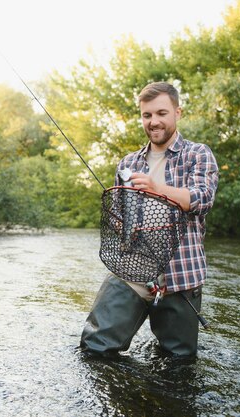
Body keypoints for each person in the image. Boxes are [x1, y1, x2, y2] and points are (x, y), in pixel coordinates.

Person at [80, 81, 219, 356]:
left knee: (178, 363)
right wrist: (118, 221)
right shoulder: (128, 164)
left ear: (177, 113)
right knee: (94, 348)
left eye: (161, 113)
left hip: (181, 275)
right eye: (147, 115)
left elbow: (202, 199)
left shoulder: (198, 154)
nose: (153, 122)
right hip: (132, 269)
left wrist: (157, 189)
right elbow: (118, 215)